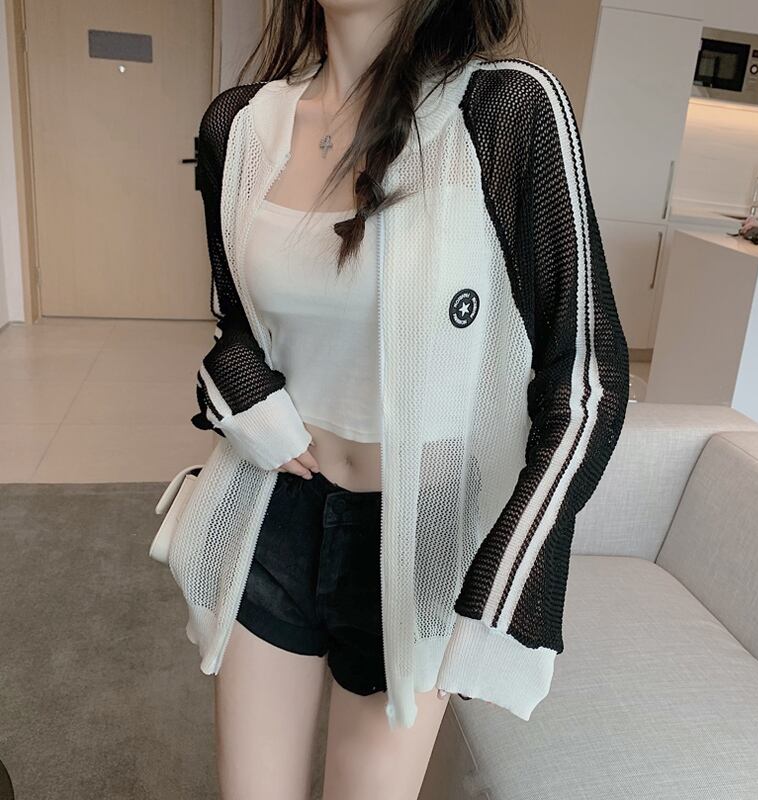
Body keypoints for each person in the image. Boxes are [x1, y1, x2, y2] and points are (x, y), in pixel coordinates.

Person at [184, 1, 630, 798]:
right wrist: (241, 390)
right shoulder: (240, 126)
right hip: (270, 512)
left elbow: (586, 381)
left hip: (420, 534)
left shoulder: (506, 111)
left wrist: (503, 578)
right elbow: (236, 321)